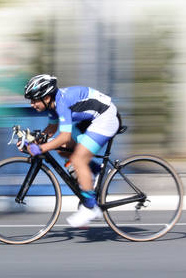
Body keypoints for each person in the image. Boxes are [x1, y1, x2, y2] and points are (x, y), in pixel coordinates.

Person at [22, 74, 120, 227]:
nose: (32, 104)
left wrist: (40, 148)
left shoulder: (62, 103)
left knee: (78, 159)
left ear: (46, 97)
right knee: (62, 150)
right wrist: (31, 142)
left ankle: (90, 207)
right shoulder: (53, 105)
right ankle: (96, 170)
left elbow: (65, 137)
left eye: (34, 100)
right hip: (91, 120)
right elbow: (51, 129)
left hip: (105, 118)